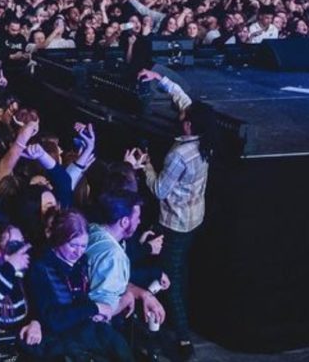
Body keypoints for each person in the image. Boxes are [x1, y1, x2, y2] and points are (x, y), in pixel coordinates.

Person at [137, 100, 215, 361]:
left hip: (174, 222)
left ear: (189, 124)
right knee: (182, 270)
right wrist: (162, 80)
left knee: (170, 278)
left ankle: (182, 338)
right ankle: (181, 324)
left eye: (183, 116)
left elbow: (159, 189)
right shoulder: (206, 143)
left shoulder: (180, 155)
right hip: (194, 219)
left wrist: (146, 166)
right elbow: (184, 100)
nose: (179, 115)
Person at [25, 209, 130, 362]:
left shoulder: (81, 261)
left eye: (83, 246)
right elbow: (53, 319)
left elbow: (79, 299)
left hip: (83, 329)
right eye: (73, 245)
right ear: (59, 239)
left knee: (117, 344)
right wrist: (95, 307)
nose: (78, 252)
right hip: (59, 338)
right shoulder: (42, 268)